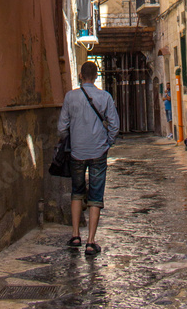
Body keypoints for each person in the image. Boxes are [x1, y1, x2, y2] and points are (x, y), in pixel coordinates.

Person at [57, 60, 119, 256]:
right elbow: (115, 126)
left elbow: (61, 127)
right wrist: (107, 143)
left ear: (81, 76)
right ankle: (91, 242)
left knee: (77, 193)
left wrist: (73, 138)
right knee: (95, 196)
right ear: (96, 76)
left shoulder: (70, 97)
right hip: (98, 152)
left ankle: (75, 235)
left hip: (77, 152)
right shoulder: (105, 97)